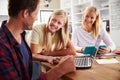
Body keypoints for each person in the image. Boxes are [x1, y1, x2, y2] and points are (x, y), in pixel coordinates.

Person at [0, 0, 76, 80]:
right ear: (25, 13)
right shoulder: (2, 46)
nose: (36, 18)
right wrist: (60, 70)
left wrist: (47, 58)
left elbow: (24, 57)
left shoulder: (19, 34)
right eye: (36, 14)